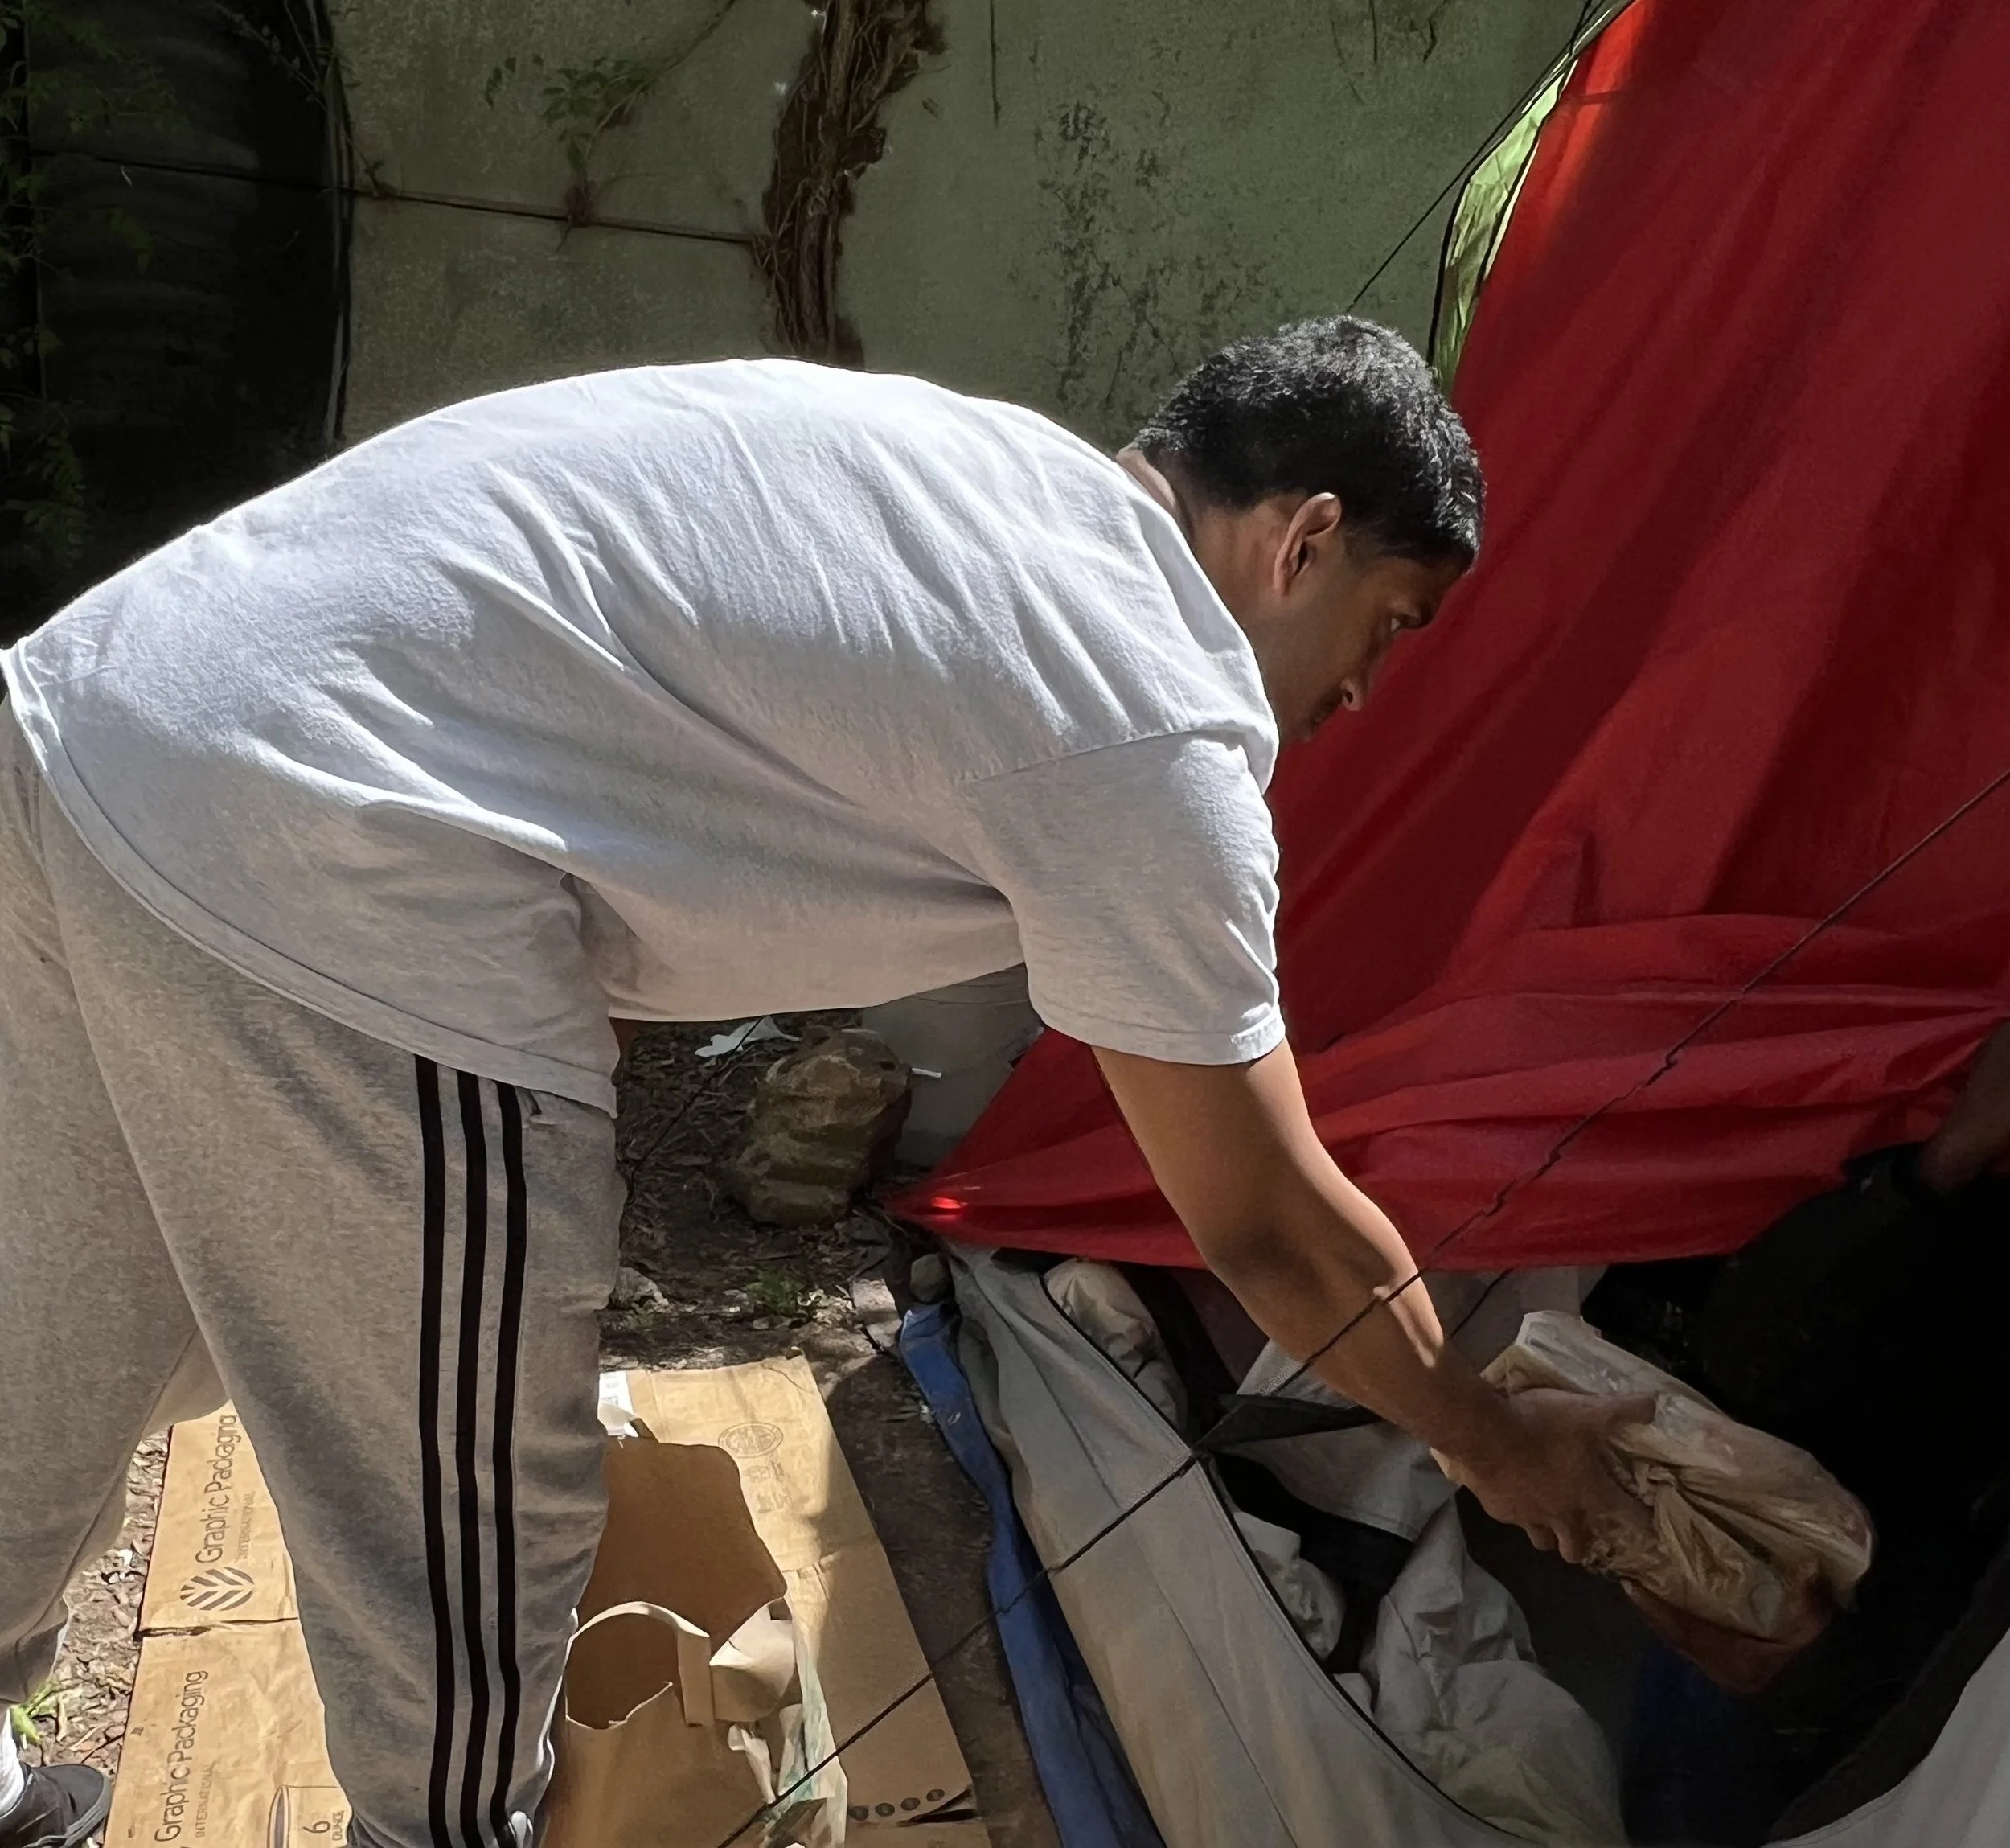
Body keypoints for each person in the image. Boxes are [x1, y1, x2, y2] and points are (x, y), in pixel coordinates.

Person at [0, 318, 1649, 1848]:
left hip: (94, 716)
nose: (1361, 691)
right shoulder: (1154, 713)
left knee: (66, 1319)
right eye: (1385, 628)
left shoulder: (988, 481)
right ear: (1303, 540)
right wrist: (1491, 1441)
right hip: (326, 831)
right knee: (468, 1493)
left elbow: (615, 720)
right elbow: (1272, 1223)